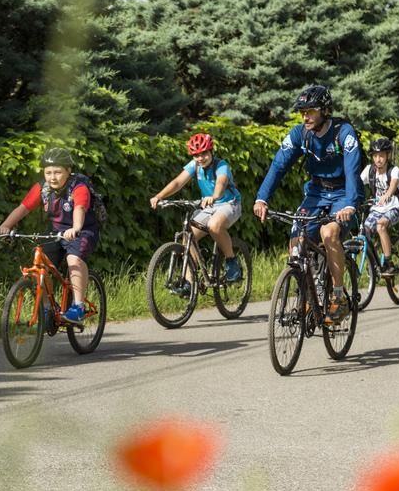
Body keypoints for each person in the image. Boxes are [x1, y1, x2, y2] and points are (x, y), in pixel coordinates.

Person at [253, 85, 363, 324]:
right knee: (297, 235)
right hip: (315, 191)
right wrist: (262, 198)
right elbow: (278, 166)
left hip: (344, 193)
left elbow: (353, 172)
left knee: (328, 231)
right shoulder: (299, 134)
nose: (305, 116)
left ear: (324, 110)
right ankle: (305, 293)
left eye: (310, 111)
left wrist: (350, 205)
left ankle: (338, 296)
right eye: (302, 111)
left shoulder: (344, 133)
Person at [0, 147, 101, 323]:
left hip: (82, 229)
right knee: (39, 264)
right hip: (57, 230)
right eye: (48, 172)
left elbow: (80, 208)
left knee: (73, 259)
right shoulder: (42, 188)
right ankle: (46, 308)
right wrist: (6, 225)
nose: (52, 177)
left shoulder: (78, 187)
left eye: (58, 172)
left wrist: (75, 228)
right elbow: (23, 208)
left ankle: (78, 307)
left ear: (68, 171)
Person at [150, 133, 243, 289]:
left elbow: (221, 182)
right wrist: (159, 196)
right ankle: (189, 282)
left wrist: (214, 196)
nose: (201, 158)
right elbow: (178, 182)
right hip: (208, 206)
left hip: (229, 203)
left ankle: (232, 262)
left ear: (211, 151)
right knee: (187, 237)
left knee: (214, 226)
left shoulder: (221, 165)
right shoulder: (195, 166)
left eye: (204, 154)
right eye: (196, 155)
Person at [360, 137, 399, 276]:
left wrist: (387, 194)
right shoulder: (369, 170)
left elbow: (393, 184)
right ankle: (373, 264)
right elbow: (357, 183)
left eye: (381, 156)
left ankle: (389, 263)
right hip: (377, 209)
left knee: (380, 226)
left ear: (387, 156)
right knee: (364, 231)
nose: (378, 159)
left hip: (393, 207)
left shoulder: (393, 170)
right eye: (375, 156)